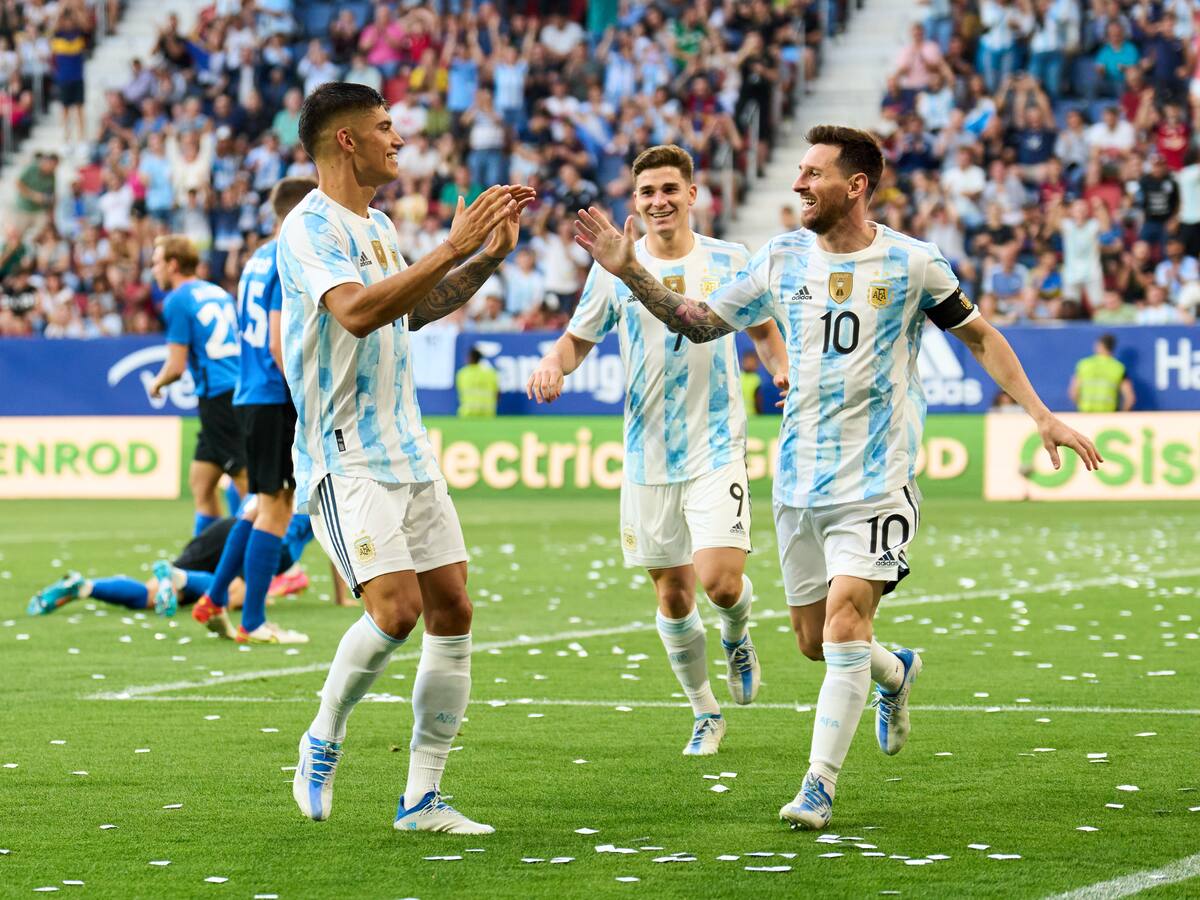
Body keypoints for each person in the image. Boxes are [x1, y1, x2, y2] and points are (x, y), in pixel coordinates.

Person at [573, 125, 1101, 830]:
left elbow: (980, 336)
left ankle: (817, 785)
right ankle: (895, 670)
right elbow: (698, 323)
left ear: (855, 186)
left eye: (813, 174)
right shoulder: (779, 258)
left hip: (879, 478)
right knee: (815, 641)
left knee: (848, 621)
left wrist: (1040, 413)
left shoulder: (914, 262)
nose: (798, 184)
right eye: (797, 171)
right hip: (799, 481)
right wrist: (630, 273)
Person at [276, 82, 532, 835]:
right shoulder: (307, 227)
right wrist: (451, 244)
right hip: (345, 454)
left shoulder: (381, 224)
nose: (399, 139)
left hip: (408, 449)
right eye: (385, 127)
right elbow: (357, 312)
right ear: (346, 139)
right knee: (394, 611)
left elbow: (411, 309)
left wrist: (485, 258)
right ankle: (323, 734)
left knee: (453, 608)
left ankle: (423, 797)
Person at [528, 144, 788, 756]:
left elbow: (763, 330)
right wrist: (553, 362)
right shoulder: (615, 265)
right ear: (636, 201)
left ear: (692, 194)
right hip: (648, 453)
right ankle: (704, 711)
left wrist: (780, 369)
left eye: (670, 189)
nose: (659, 201)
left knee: (720, 582)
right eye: (647, 192)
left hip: (717, 443)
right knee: (672, 594)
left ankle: (737, 633)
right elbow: (577, 339)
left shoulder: (730, 259)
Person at [191, 177, 318, 645]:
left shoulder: (257, 257)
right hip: (272, 393)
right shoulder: (291, 255)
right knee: (278, 510)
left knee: (259, 503)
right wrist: (303, 397)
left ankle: (214, 598)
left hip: (248, 393)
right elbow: (278, 339)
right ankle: (254, 621)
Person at [27, 502, 320, 618]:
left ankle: (84, 587)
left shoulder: (285, 467)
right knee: (232, 596)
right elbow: (337, 545)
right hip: (264, 537)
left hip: (228, 529)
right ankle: (178, 578)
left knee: (151, 594)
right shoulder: (319, 490)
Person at [148, 234, 248, 536]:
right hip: (236, 389)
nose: (153, 270)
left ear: (173, 264)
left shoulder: (177, 300)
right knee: (202, 482)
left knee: (246, 483)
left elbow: (176, 367)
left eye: (156, 263)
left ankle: (267, 556)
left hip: (220, 397)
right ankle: (208, 555)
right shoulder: (216, 292)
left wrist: (157, 384)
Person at [1069, 334, 1134, 413]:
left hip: (1085, 414)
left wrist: (1081, 408)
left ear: (1098, 345)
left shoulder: (1084, 365)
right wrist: (1121, 415)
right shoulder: (1118, 368)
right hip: (1108, 416)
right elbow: (1130, 398)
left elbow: (1073, 392)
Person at [456, 346, 499, 417]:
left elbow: (460, 392)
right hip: (487, 414)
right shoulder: (490, 373)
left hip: (467, 414)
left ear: (470, 358)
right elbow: (497, 394)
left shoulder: (462, 373)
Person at [740, 350, 763, 415]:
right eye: (748, 362)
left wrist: (759, 413)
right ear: (743, 362)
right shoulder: (738, 376)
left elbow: (758, 400)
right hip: (739, 414)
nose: (750, 364)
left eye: (752, 362)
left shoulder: (756, 379)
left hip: (752, 415)